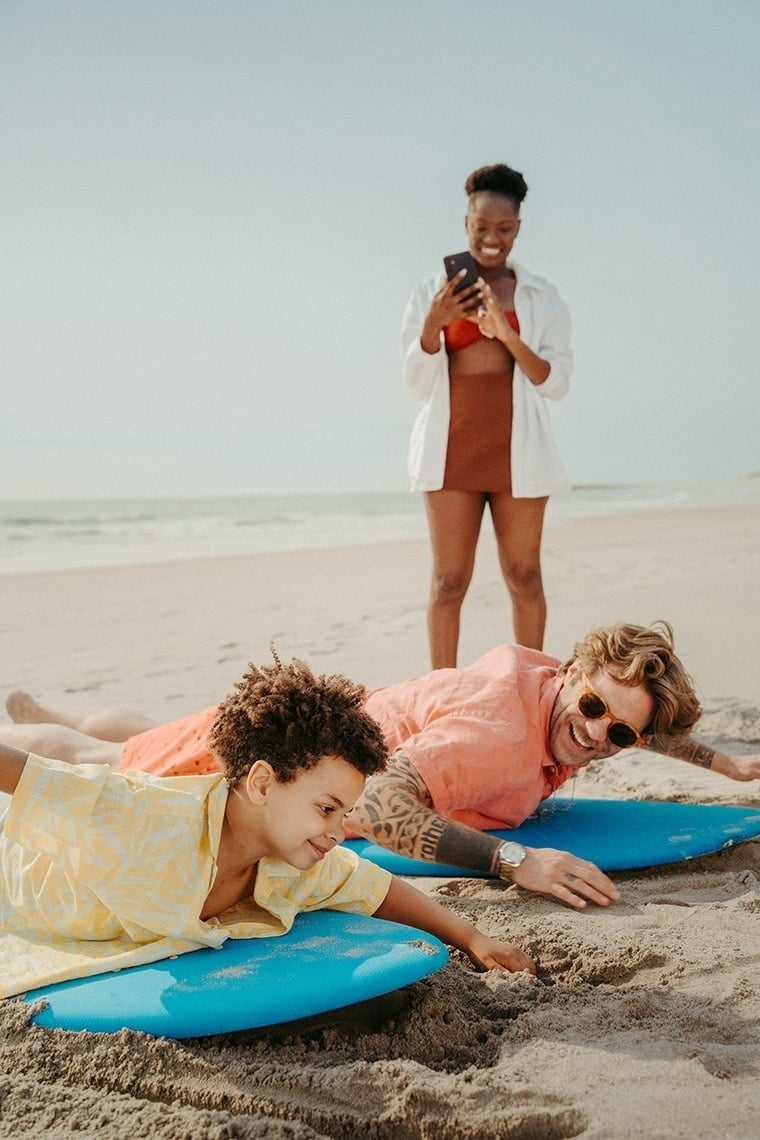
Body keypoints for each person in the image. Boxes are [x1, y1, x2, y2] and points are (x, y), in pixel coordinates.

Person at [4, 622, 758, 913]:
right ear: (572, 672)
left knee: (150, 731)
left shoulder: (562, 691)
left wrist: (725, 763)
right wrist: (513, 859)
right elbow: (390, 809)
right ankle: (38, 724)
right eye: (592, 709)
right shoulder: (497, 735)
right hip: (293, 774)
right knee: (117, 762)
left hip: (334, 720)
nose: (596, 737)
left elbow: (643, 723)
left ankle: (46, 704)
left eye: (620, 734)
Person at [0, 655, 535, 1000]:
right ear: (261, 784)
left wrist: (473, 938)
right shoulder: (145, 816)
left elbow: (376, 887)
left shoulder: (290, 863)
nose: (337, 829)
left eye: (344, 812)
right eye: (326, 808)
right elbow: (28, 775)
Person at [403, 162, 572, 666]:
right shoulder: (431, 292)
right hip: (451, 450)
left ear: (517, 227)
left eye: (503, 228)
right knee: (448, 580)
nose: (491, 238)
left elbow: (556, 382)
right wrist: (433, 325)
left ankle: (529, 690)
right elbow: (415, 382)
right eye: (481, 227)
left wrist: (507, 333)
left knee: (524, 576)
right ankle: (442, 692)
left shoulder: (543, 297)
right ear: (466, 225)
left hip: (518, 452)